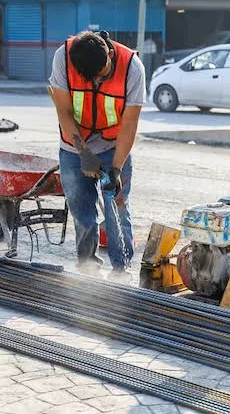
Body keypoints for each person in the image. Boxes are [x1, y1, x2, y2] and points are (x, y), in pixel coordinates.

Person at [48, 30, 145, 283]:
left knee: (118, 207)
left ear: (110, 54)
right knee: (81, 208)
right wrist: (84, 153)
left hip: (115, 144)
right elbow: (64, 113)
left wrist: (115, 168)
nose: (97, 82)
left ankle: (121, 270)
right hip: (74, 145)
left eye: (102, 75)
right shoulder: (63, 58)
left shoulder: (132, 68)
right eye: (91, 78)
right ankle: (88, 267)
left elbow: (129, 123)